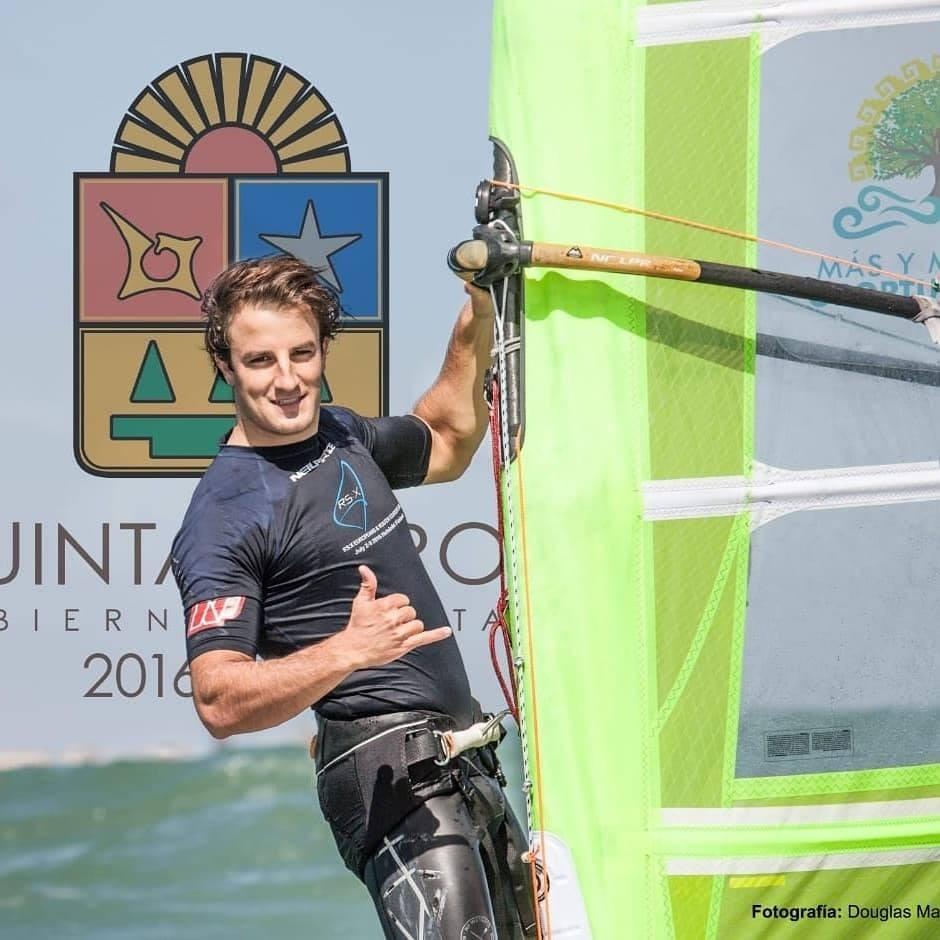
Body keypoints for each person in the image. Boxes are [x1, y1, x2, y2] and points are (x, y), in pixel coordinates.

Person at [171, 255, 537, 939]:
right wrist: (347, 650)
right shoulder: (224, 516)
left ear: (324, 349)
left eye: (301, 354)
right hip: (386, 779)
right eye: (260, 361)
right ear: (226, 367)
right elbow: (218, 699)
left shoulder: (340, 435)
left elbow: (448, 436)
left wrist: (479, 313)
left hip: (461, 763)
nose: (287, 380)